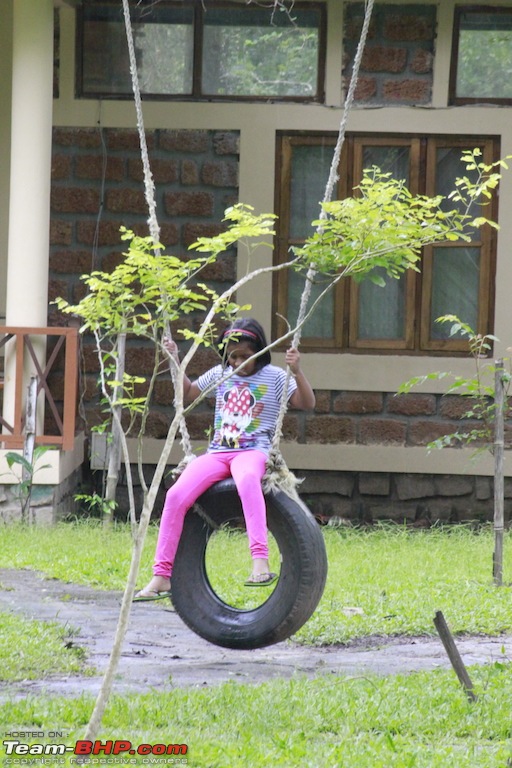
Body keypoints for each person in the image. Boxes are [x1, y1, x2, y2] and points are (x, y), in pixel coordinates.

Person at [133, 318, 315, 601]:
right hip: (218, 452)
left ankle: (260, 561)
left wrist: (298, 371)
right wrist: (174, 360)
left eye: (246, 355)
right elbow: (188, 393)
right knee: (176, 495)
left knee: (246, 481)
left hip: (253, 450)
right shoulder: (221, 373)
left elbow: (307, 403)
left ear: (259, 351)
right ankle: (161, 576)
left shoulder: (276, 376)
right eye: (233, 356)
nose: (239, 362)